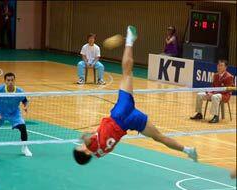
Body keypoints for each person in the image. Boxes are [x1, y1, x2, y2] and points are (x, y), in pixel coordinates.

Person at [73, 26, 197, 165]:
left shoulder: (98, 154)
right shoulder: (90, 146)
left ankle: (188, 150)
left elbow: (98, 137)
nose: (82, 145)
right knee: (127, 73)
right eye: (80, 148)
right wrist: (82, 138)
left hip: (130, 121)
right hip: (119, 114)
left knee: (159, 137)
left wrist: (94, 133)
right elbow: (87, 138)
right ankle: (130, 40)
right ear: (85, 152)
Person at [0, 73, 32, 157]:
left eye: (12, 80)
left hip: (14, 113)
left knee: (23, 127)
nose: (10, 82)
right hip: (0, 111)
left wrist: (26, 106)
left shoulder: (20, 91)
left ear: (14, 80)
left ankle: (24, 147)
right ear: (5, 81)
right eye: (8, 80)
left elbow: (25, 101)